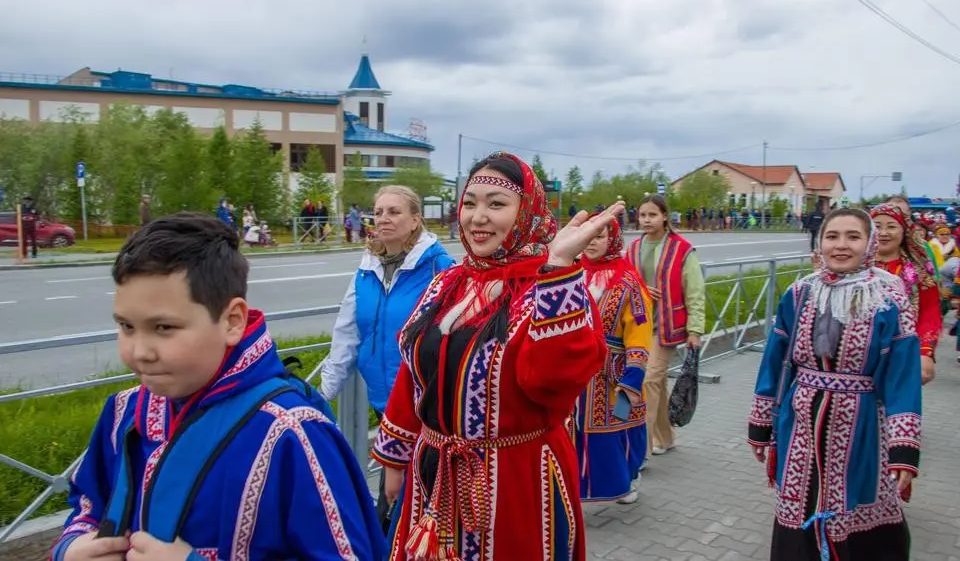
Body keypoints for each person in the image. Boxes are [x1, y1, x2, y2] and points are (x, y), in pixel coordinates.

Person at [52, 212, 385, 561]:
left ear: (232, 321)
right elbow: (88, 502)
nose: (139, 352)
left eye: (164, 328)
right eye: (126, 326)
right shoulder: (123, 414)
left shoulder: (293, 432)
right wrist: (72, 547)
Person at [371, 151, 621, 561]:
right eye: (470, 203)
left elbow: (552, 383)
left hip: (516, 483)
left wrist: (559, 266)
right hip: (433, 473)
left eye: (497, 204)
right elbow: (415, 374)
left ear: (527, 214)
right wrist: (395, 459)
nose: (477, 217)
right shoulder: (449, 284)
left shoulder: (553, 289)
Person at [749, 207, 921, 561]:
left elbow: (902, 375)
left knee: (859, 506)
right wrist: (762, 423)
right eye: (832, 236)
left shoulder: (889, 297)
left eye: (853, 237)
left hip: (862, 427)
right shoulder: (798, 294)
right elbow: (775, 361)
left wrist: (904, 446)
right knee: (798, 504)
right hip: (800, 424)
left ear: (869, 243)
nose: (841, 246)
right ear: (820, 242)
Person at [320, 184, 455, 531]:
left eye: (394, 212)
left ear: (415, 220)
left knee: (402, 497)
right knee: (399, 492)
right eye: (378, 212)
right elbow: (347, 334)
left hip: (426, 406)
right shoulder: (366, 271)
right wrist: (322, 396)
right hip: (385, 404)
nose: (383, 219)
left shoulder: (440, 268)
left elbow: (454, 340)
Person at [575, 215, 653, 504]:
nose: (591, 242)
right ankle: (581, 486)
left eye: (599, 236)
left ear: (612, 240)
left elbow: (640, 331)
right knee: (579, 431)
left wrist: (633, 374)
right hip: (577, 373)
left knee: (621, 428)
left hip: (614, 374)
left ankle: (628, 479)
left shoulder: (628, 283)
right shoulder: (571, 274)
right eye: (588, 235)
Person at [624, 195, 705, 458]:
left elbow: (695, 291)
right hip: (638, 326)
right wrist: (641, 288)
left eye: (652, 215)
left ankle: (640, 452)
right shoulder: (634, 248)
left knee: (648, 381)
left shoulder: (682, 249)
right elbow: (624, 281)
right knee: (655, 382)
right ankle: (666, 437)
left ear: (665, 217)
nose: (646, 220)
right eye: (643, 215)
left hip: (666, 326)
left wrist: (695, 330)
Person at [870, 203, 940, 385]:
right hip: (859, 356)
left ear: (904, 232)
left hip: (902, 354)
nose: (883, 233)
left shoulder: (918, 271)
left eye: (891, 226)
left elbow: (930, 312)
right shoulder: (855, 268)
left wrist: (925, 353)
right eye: (877, 227)